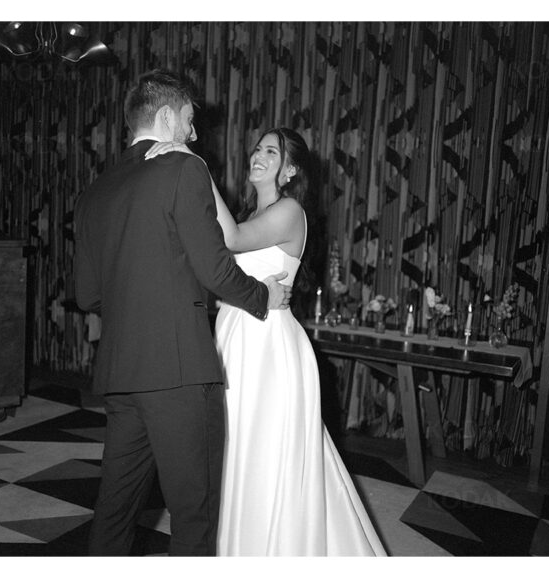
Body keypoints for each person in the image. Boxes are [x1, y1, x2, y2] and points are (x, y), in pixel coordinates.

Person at [73, 69, 292, 557]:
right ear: (168, 116)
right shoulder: (184, 169)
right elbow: (215, 269)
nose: (194, 134)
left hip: (120, 374)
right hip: (179, 376)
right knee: (194, 516)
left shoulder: (95, 191)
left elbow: (87, 294)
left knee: (114, 511)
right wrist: (263, 298)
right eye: (190, 121)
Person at [146, 127, 386, 556]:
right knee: (231, 446)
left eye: (271, 152)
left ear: (290, 169)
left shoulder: (290, 210)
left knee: (263, 451)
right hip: (233, 337)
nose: (258, 155)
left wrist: (196, 165)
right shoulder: (245, 215)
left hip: (268, 348)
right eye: (257, 148)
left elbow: (230, 242)